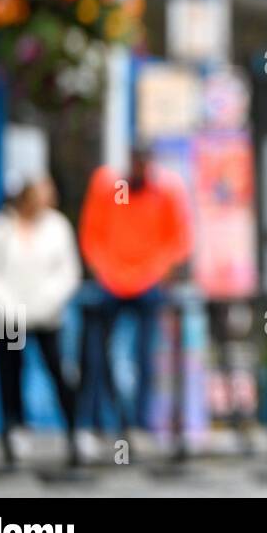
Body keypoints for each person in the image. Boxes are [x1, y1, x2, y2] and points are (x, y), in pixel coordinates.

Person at [78, 146, 192, 449]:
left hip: (148, 284)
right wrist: (105, 269)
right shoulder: (112, 187)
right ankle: (100, 422)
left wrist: (157, 271)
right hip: (111, 283)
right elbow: (94, 232)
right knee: (97, 356)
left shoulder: (165, 191)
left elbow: (178, 238)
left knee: (145, 356)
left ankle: (140, 424)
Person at [0, 173, 82, 468]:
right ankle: (14, 432)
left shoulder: (58, 227)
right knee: (10, 373)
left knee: (58, 371)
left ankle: (73, 432)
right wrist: (6, 305)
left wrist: (47, 301)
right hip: (10, 316)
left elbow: (68, 272)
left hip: (47, 316)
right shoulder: (0, 227)